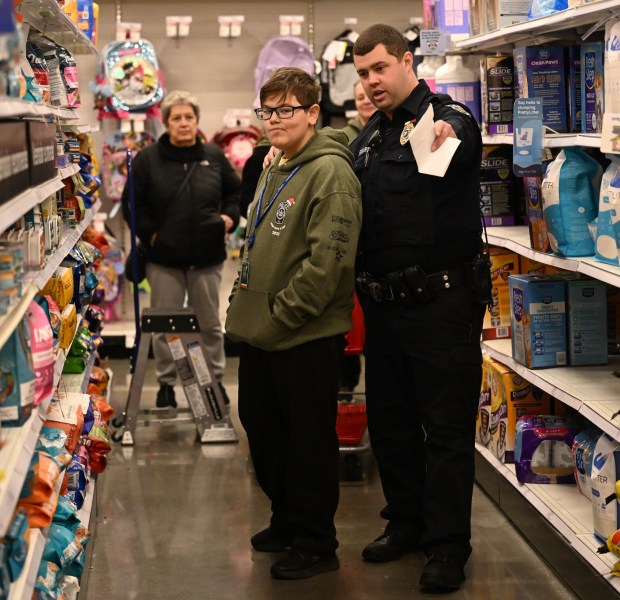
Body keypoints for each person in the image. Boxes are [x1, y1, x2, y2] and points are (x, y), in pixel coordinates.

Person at [349, 24, 485, 592]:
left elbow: (449, 143)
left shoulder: (451, 118)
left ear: (408, 61)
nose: (371, 82)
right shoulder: (367, 141)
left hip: (441, 304)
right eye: (361, 74)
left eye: (380, 68)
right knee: (392, 426)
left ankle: (447, 545)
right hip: (383, 308)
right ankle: (404, 523)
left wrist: (438, 126)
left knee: (446, 429)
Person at [225, 67, 361, 580]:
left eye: (286, 110)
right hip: (262, 331)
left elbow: (329, 263)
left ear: (312, 113)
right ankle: (285, 517)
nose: (274, 119)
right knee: (263, 428)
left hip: (304, 333)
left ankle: (315, 540)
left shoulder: (331, 173)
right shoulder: (272, 161)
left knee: (307, 440)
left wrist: (281, 317)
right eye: (268, 110)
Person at [121, 90, 241, 408]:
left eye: (189, 117)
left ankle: (214, 381)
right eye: (177, 118)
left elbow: (235, 192)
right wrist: (151, 236)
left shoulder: (214, 156)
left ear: (197, 121)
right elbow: (132, 204)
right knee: (163, 326)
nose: (184, 123)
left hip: (207, 258)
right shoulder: (148, 160)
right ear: (166, 123)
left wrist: (230, 216)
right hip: (164, 260)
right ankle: (166, 384)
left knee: (210, 324)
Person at [338, 80, 377, 399]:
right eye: (358, 97)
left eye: (368, 95)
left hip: (379, 237)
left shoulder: (401, 129)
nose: (365, 100)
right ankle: (346, 392)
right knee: (350, 325)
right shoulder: (344, 136)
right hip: (354, 236)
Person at [341, 79, 378, 144]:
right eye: (360, 98)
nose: (366, 101)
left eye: (371, 96)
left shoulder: (396, 131)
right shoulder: (343, 136)